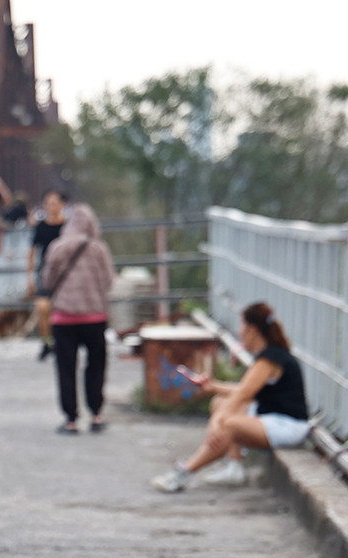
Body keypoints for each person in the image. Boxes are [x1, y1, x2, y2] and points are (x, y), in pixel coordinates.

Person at [152, 301, 311, 492]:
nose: (238, 331)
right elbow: (244, 390)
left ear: (252, 330)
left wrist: (218, 422)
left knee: (229, 424)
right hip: (274, 419)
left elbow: (244, 394)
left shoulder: (269, 359)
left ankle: (184, 472)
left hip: (288, 426)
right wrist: (213, 386)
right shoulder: (271, 355)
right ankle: (234, 467)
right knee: (221, 403)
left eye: (241, 326)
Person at [41, 203, 116, 435]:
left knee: (66, 367)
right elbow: (109, 281)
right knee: (96, 364)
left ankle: (71, 419)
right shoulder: (99, 249)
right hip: (95, 316)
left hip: (64, 317)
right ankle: (96, 414)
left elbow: (48, 281)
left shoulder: (57, 247)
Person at [27, 189, 68, 360]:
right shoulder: (41, 226)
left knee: (63, 308)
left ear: (62, 205)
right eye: (48, 203)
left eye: (54, 203)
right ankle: (46, 342)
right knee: (42, 307)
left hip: (65, 273)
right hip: (45, 272)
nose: (51, 207)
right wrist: (29, 276)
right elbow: (32, 250)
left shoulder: (67, 226)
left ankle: (62, 342)